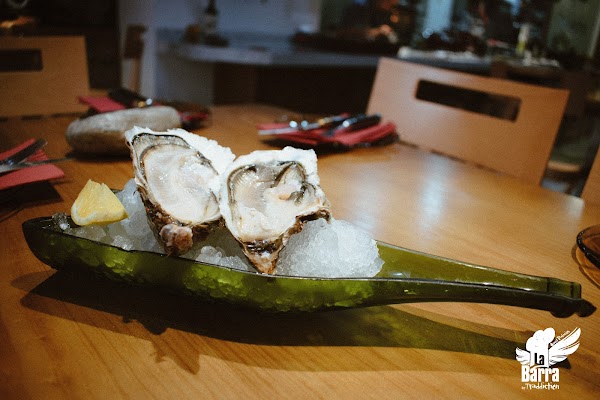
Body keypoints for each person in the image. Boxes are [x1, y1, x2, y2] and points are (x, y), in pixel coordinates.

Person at [339, 0, 407, 44]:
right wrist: (377, 31)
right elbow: (343, 33)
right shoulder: (357, 9)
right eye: (389, 2)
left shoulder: (386, 14)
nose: (390, 7)